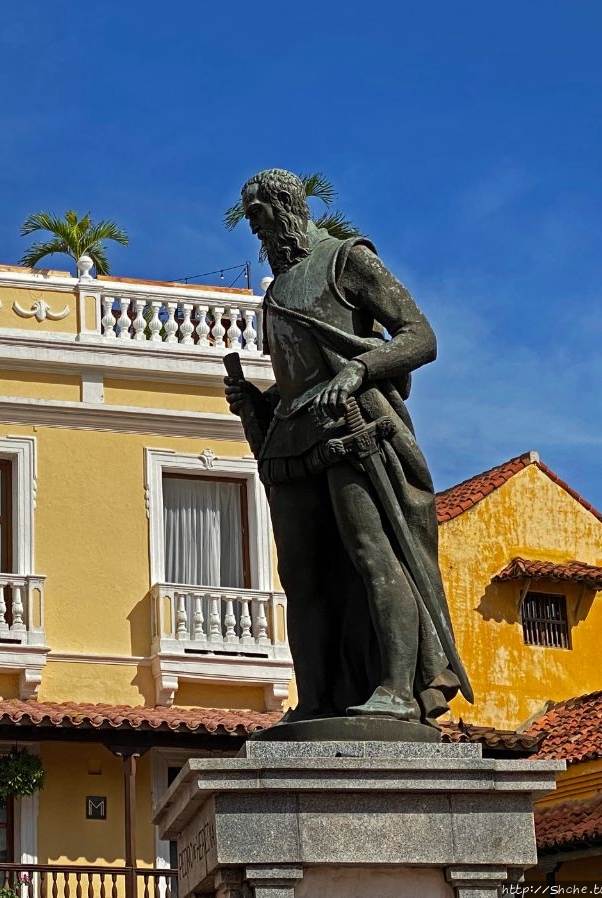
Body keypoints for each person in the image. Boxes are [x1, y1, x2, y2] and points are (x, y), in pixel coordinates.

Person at [224, 168, 470, 724]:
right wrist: (256, 402)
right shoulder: (277, 290)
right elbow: (297, 375)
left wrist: (359, 370)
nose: (256, 230)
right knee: (301, 574)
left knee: (371, 551)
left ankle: (398, 689)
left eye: (259, 216)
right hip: (293, 436)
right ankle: (317, 697)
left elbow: (420, 336)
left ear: (286, 205)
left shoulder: (346, 259)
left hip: (353, 427)